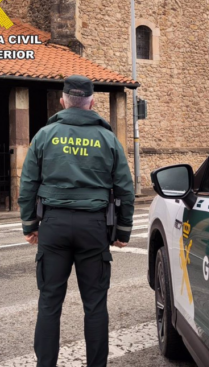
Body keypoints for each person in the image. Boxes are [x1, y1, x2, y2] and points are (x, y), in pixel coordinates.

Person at [18, 75, 135, 367]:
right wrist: (123, 230)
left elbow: (28, 184)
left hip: (54, 226)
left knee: (49, 303)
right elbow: (125, 188)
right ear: (92, 102)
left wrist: (30, 225)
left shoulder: (45, 135)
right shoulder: (108, 138)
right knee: (95, 305)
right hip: (94, 228)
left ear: (63, 101)